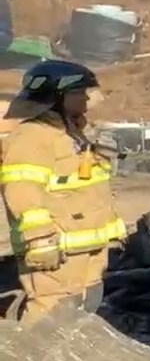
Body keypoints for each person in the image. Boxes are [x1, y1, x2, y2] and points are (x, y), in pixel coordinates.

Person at [0, 60, 125, 325]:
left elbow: (88, 186)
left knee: (85, 305)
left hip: (86, 245)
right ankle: (31, 353)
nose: (87, 98)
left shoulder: (73, 133)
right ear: (57, 96)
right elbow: (22, 190)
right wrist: (39, 239)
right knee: (50, 312)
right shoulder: (32, 137)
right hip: (56, 247)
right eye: (79, 92)